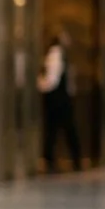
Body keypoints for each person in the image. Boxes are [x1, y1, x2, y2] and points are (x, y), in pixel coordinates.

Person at [38, 29, 82, 173]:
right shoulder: (55, 54)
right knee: (59, 129)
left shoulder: (61, 55)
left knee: (56, 130)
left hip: (60, 98)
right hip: (57, 99)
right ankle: (53, 159)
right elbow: (52, 79)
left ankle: (55, 159)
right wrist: (41, 85)